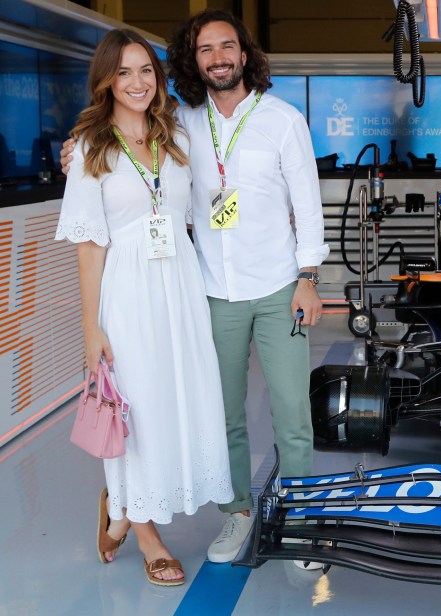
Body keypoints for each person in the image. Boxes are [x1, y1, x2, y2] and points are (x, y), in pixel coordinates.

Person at [63, 10, 328, 565]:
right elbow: (114, 149)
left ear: (245, 53)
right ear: (194, 61)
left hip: (278, 286)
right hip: (208, 291)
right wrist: (76, 151)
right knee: (220, 412)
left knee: (291, 412)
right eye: (206, 50)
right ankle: (234, 514)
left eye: (227, 46)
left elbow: (306, 202)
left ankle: (300, 519)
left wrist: (308, 277)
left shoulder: (281, 120)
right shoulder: (183, 125)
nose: (218, 58)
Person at [55, 29, 233, 586]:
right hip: (127, 293)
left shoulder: (173, 135)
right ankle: (148, 531)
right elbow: (90, 246)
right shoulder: (89, 147)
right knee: (140, 411)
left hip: (179, 286)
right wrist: (91, 327)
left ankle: (123, 504)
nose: (137, 82)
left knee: (176, 404)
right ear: (106, 80)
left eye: (146, 71)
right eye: (125, 72)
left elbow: (207, 201)